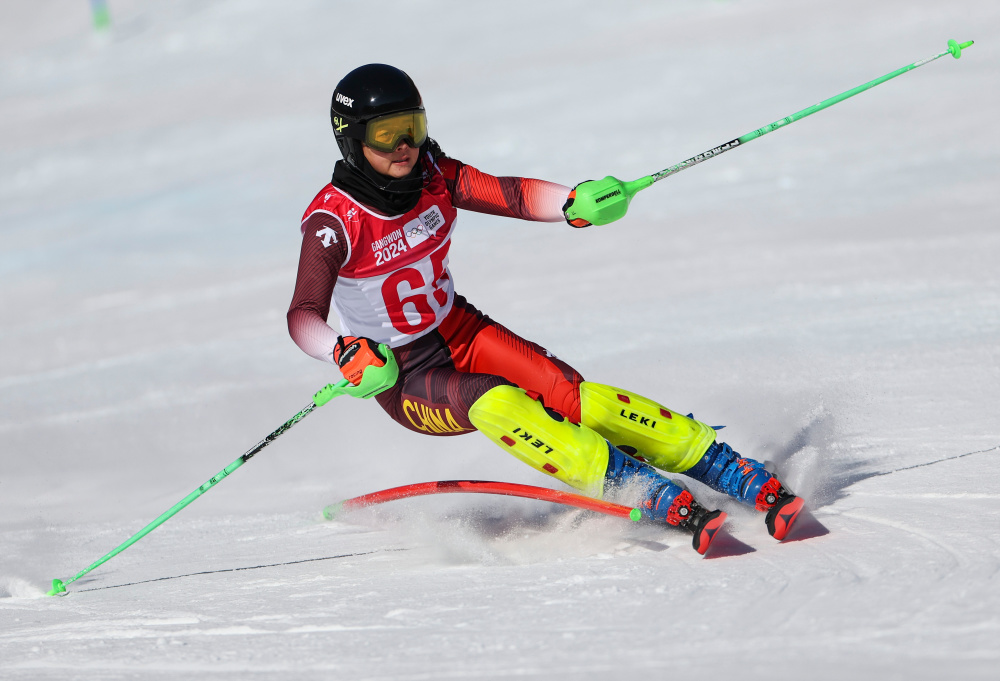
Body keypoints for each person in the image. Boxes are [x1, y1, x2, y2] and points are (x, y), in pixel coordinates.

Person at [287, 64, 803, 554]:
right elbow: (303, 316)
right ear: (352, 139)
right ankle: (641, 487)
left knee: (575, 398)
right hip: (404, 374)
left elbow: (510, 195)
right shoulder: (334, 221)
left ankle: (725, 466)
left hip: (460, 329)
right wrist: (343, 351)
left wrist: (573, 203)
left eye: (412, 128)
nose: (405, 146)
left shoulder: (434, 174)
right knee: (496, 401)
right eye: (386, 135)